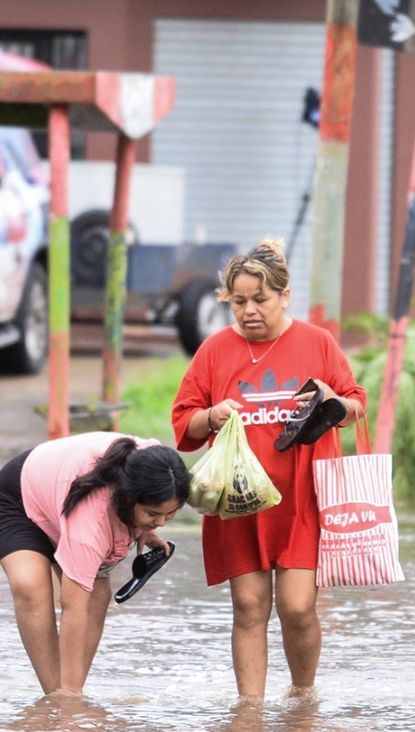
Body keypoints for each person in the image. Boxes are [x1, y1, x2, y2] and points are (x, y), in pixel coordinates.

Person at [171, 239, 366, 706]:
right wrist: (212, 416)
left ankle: (303, 697)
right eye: (239, 301)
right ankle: (250, 712)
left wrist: (332, 401)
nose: (249, 311)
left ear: (284, 296)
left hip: (302, 500)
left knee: (297, 607)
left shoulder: (317, 343)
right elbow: (183, 420)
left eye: (260, 300)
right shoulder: (215, 350)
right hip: (240, 503)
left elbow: (356, 404)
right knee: (248, 606)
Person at [0, 431, 190, 696]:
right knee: (31, 587)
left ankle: (70, 691)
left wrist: (145, 527)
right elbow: (73, 607)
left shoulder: (161, 468)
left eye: (169, 515)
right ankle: (60, 696)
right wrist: (70, 698)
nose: (161, 522)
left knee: (97, 596)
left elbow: (89, 600)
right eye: (153, 514)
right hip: (19, 498)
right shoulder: (92, 521)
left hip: (66, 497)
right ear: (128, 497)